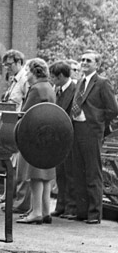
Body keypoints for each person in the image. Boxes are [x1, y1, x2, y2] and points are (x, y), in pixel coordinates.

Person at [68, 51, 118, 224]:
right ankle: (81, 212)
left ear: (97, 64)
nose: (84, 63)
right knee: (78, 172)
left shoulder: (103, 83)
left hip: (91, 131)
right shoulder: (80, 81)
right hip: (76, 130)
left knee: (93, 173)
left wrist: (94, 120)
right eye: (82, 60)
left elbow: (113, 109)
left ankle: (94, 214)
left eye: (88, 60)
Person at [16, 59, 57, 224]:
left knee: (35, 175)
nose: (26, 74)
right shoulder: (49, 88)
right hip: (50, 136)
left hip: (35, 136)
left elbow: (25, 113)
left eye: (27, 71)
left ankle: (36, 213)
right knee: (46, 175)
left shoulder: (36, 89)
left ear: (35, 72)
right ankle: (45, 211)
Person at [0, 50, 30, 212]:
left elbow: (26, 104)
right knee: (13, 163)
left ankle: (19, 201)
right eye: (5, 65)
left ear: (19, 62)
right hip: (12, 127)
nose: (7, 68)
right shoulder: (14, 80)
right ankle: (12, 198)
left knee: (18, 165)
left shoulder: (24, 79)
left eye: (9, 65)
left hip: (19, 126)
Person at [50, 60, 77, 218]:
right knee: (60, 173)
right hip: (59, 137)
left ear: (61, 76)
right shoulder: (56, 90)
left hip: (69, 136)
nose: (52, 79)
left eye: (54, 76)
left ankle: (71, 207)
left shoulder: (75, 89)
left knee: (70, 173)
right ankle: (61, 205)